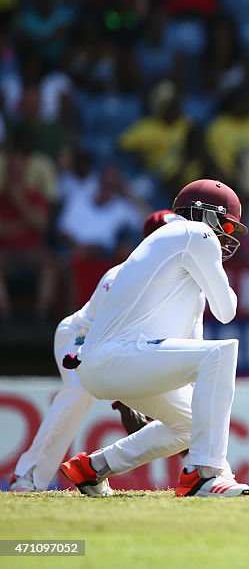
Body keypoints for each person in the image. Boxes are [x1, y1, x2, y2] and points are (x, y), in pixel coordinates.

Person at [58, 179, 249, 498]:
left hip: (112, 361)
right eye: (227, 224)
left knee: (190, 425)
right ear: (205, 215)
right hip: (118, 357)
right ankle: (203, 474)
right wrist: (215, 265)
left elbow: (186, 344)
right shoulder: (196, 233)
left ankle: (92, 468)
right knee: (221, 352)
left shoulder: (171, 248)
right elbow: (227, 310)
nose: (228, 235)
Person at [8, 210, 176, 493]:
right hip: (80, 338)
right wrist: (125, 402)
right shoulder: (123, 275)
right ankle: (27, 477)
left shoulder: (174, 282)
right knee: (80, 391)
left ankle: (93, 474)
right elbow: (108, 337)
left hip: (112, 347)